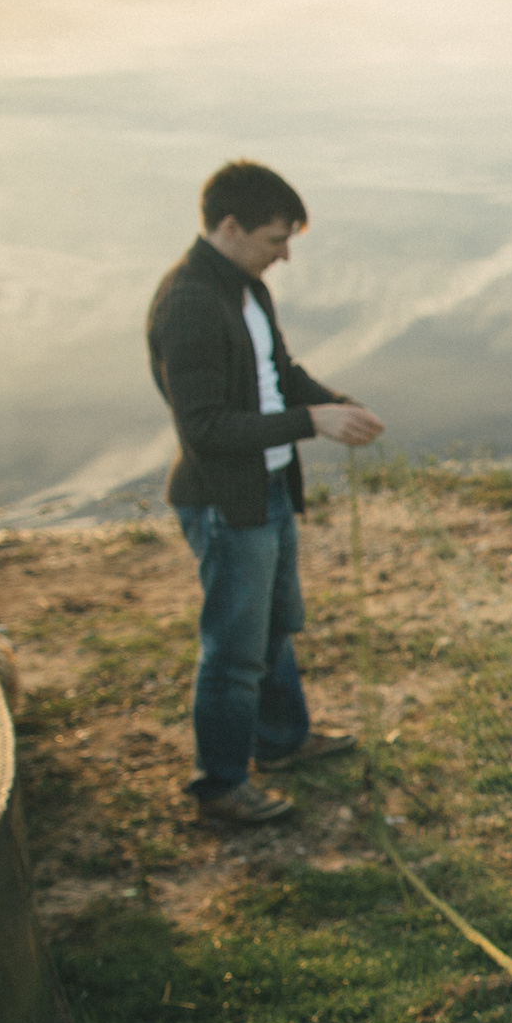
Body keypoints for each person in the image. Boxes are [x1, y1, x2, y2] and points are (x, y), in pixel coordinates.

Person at [148, 161, 385, 826]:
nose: (284, 254)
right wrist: (313, 423)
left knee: (277, 625)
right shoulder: (190, 302)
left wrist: (333, 403)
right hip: (227, 501)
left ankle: (281, 742)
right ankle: (220, 787)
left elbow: (278, 373)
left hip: (270, 487)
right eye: (276, 239)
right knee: (233, 650)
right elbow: (204, 427)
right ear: (230, 226)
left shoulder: (245, 288)